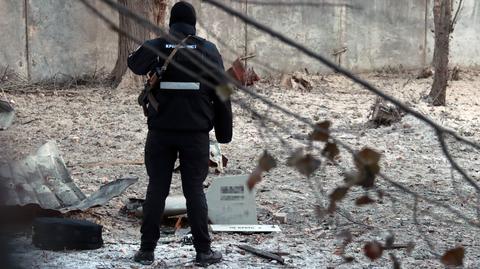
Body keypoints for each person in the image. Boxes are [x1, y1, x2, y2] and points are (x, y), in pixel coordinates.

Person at [127, 1, 232, 266]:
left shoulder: (159, 45)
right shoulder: (208, 50)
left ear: (171, 23)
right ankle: (203, 252)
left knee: (156, 189)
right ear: (193, 23)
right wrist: (224, 132)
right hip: (195, 134)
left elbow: (134, 64)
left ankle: (146, 251)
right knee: (194, 190)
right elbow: (222, 94)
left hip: (160, 132)